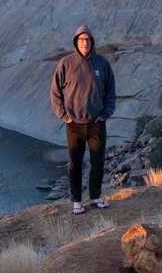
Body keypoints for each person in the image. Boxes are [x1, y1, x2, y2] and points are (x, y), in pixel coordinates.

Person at [50, 25, 116, 215]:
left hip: (96, 123)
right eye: (81, 40)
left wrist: (105, 114)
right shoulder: (66, 63)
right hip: (74, 125)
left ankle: (95, 197)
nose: (84, 43)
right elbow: (55, 93)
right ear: (76, 42)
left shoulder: (102, 63)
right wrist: (64, 116)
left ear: (92, 42)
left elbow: (110, 91)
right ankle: (77, 201)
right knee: (75, 164)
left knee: (98, 163)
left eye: (87, 40)